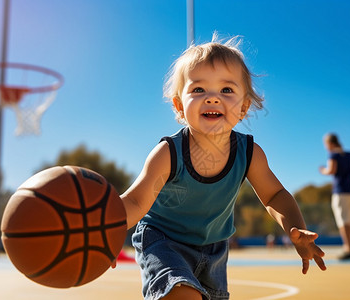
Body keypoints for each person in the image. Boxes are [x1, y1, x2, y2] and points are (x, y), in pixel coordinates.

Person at [118, 35, 326, 300]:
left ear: (244, 107)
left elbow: (274, 195)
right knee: (183, 294)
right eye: (198, 90)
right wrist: (106, 230)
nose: (213, 98)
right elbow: (136, 201)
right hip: (163, 240)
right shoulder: (168, 153)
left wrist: (295, 229)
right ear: (180, 106)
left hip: (214, 249)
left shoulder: (249, 153)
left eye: (226, 90)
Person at [319, 133, 350, 260]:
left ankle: (349, 249)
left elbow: (331, 170)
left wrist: (323, 170)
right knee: (348, 221)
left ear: (329, 144)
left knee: (343, 222)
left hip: (340, 191)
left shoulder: (333, 155)